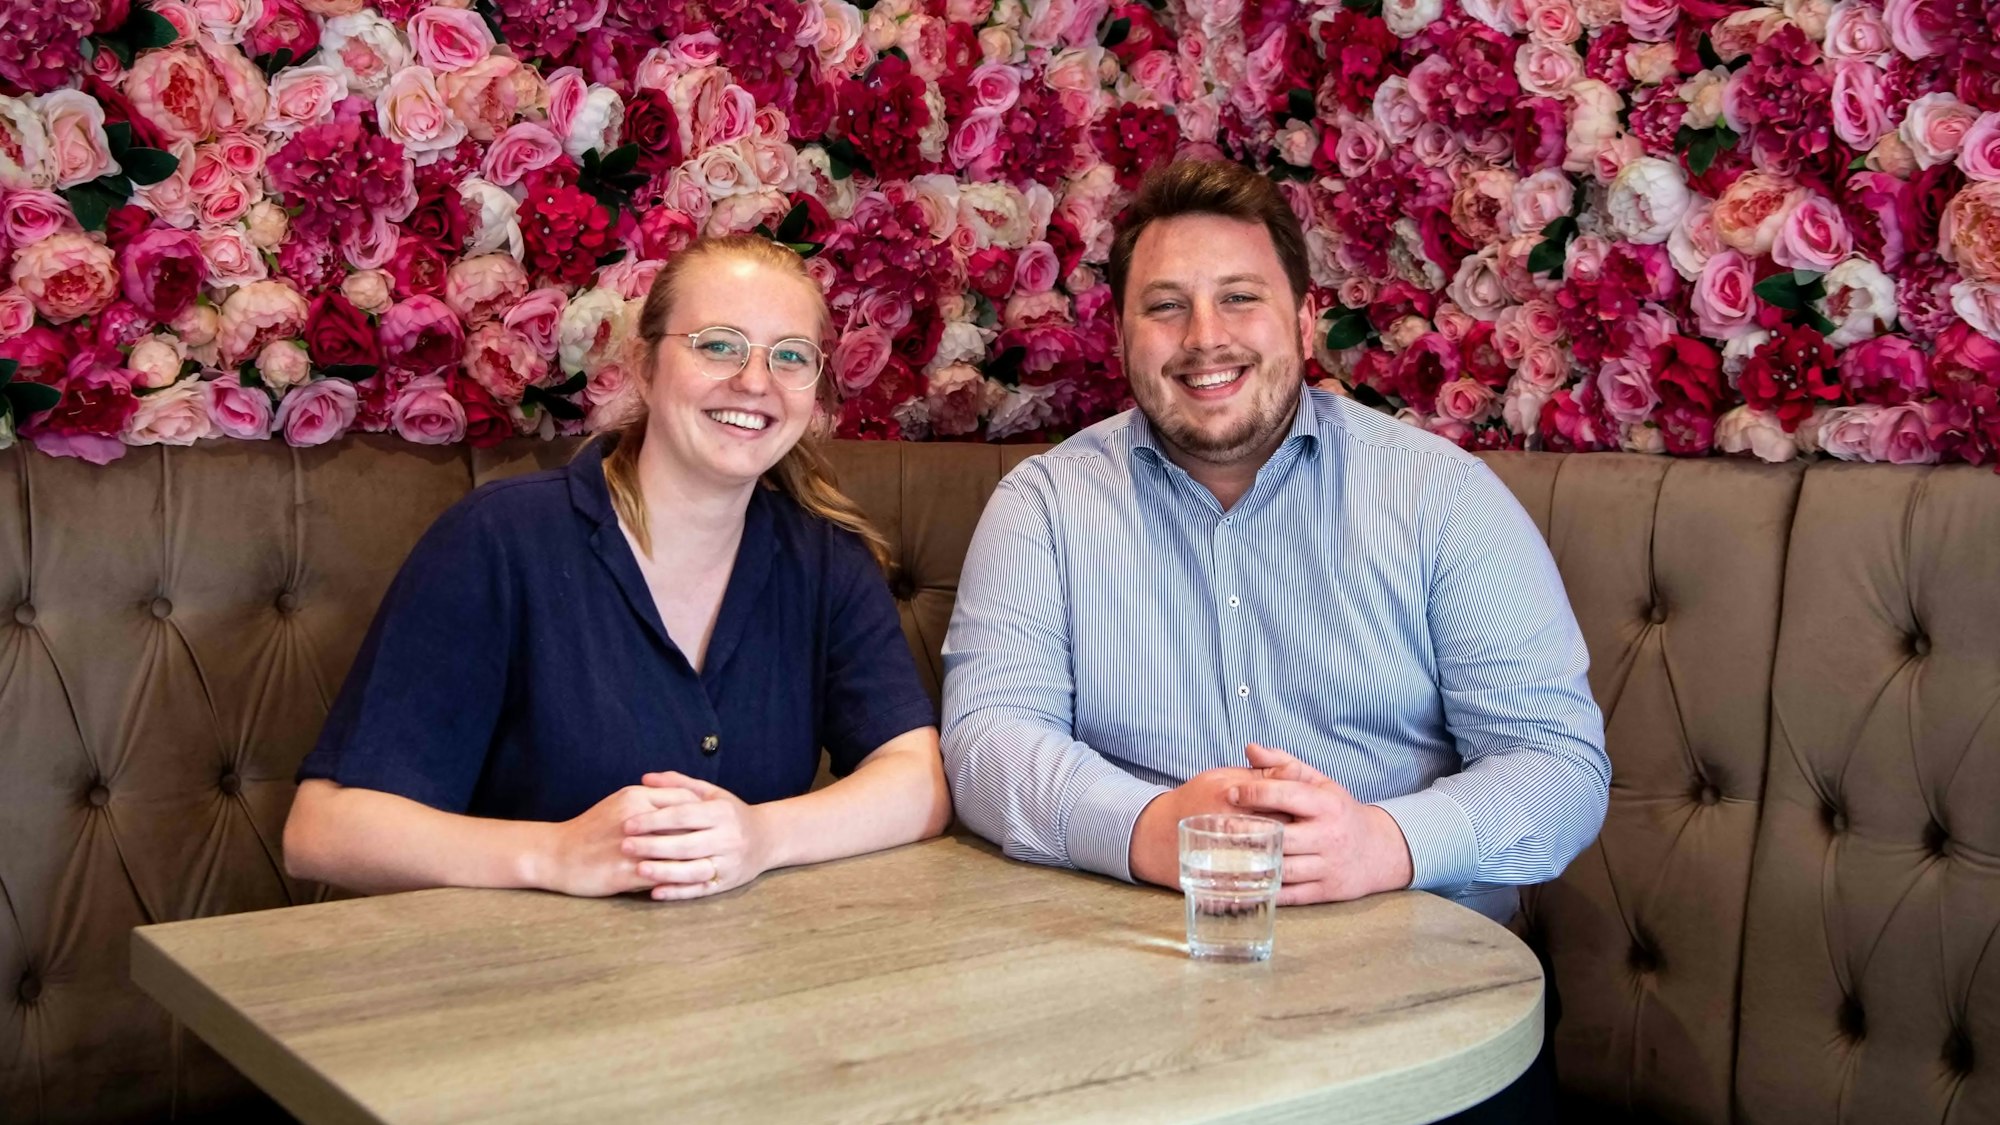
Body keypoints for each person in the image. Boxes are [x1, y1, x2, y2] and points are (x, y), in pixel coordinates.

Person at [940, 160, 1610, 927]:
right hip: (1137, 958)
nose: (1204, 337)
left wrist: (1382, 843)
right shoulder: (1044, 508)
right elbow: (987, 742)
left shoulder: (1443, 498)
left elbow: (1557, 766)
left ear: (1301, 317)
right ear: (1121, 336)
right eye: (1165, 306)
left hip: (1412, 968)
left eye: (1239, 298)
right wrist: (1150, 829)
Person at [285, 235, 950, 902]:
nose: (755, 381)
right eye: (718, 344)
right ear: (643, 363)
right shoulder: (501, 540)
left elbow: (917, 781)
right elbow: (325, 829)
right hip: (510, 980)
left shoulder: (827, 560)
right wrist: (554, 853)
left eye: (789, 356)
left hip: (737, 980)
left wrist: (761, 837)